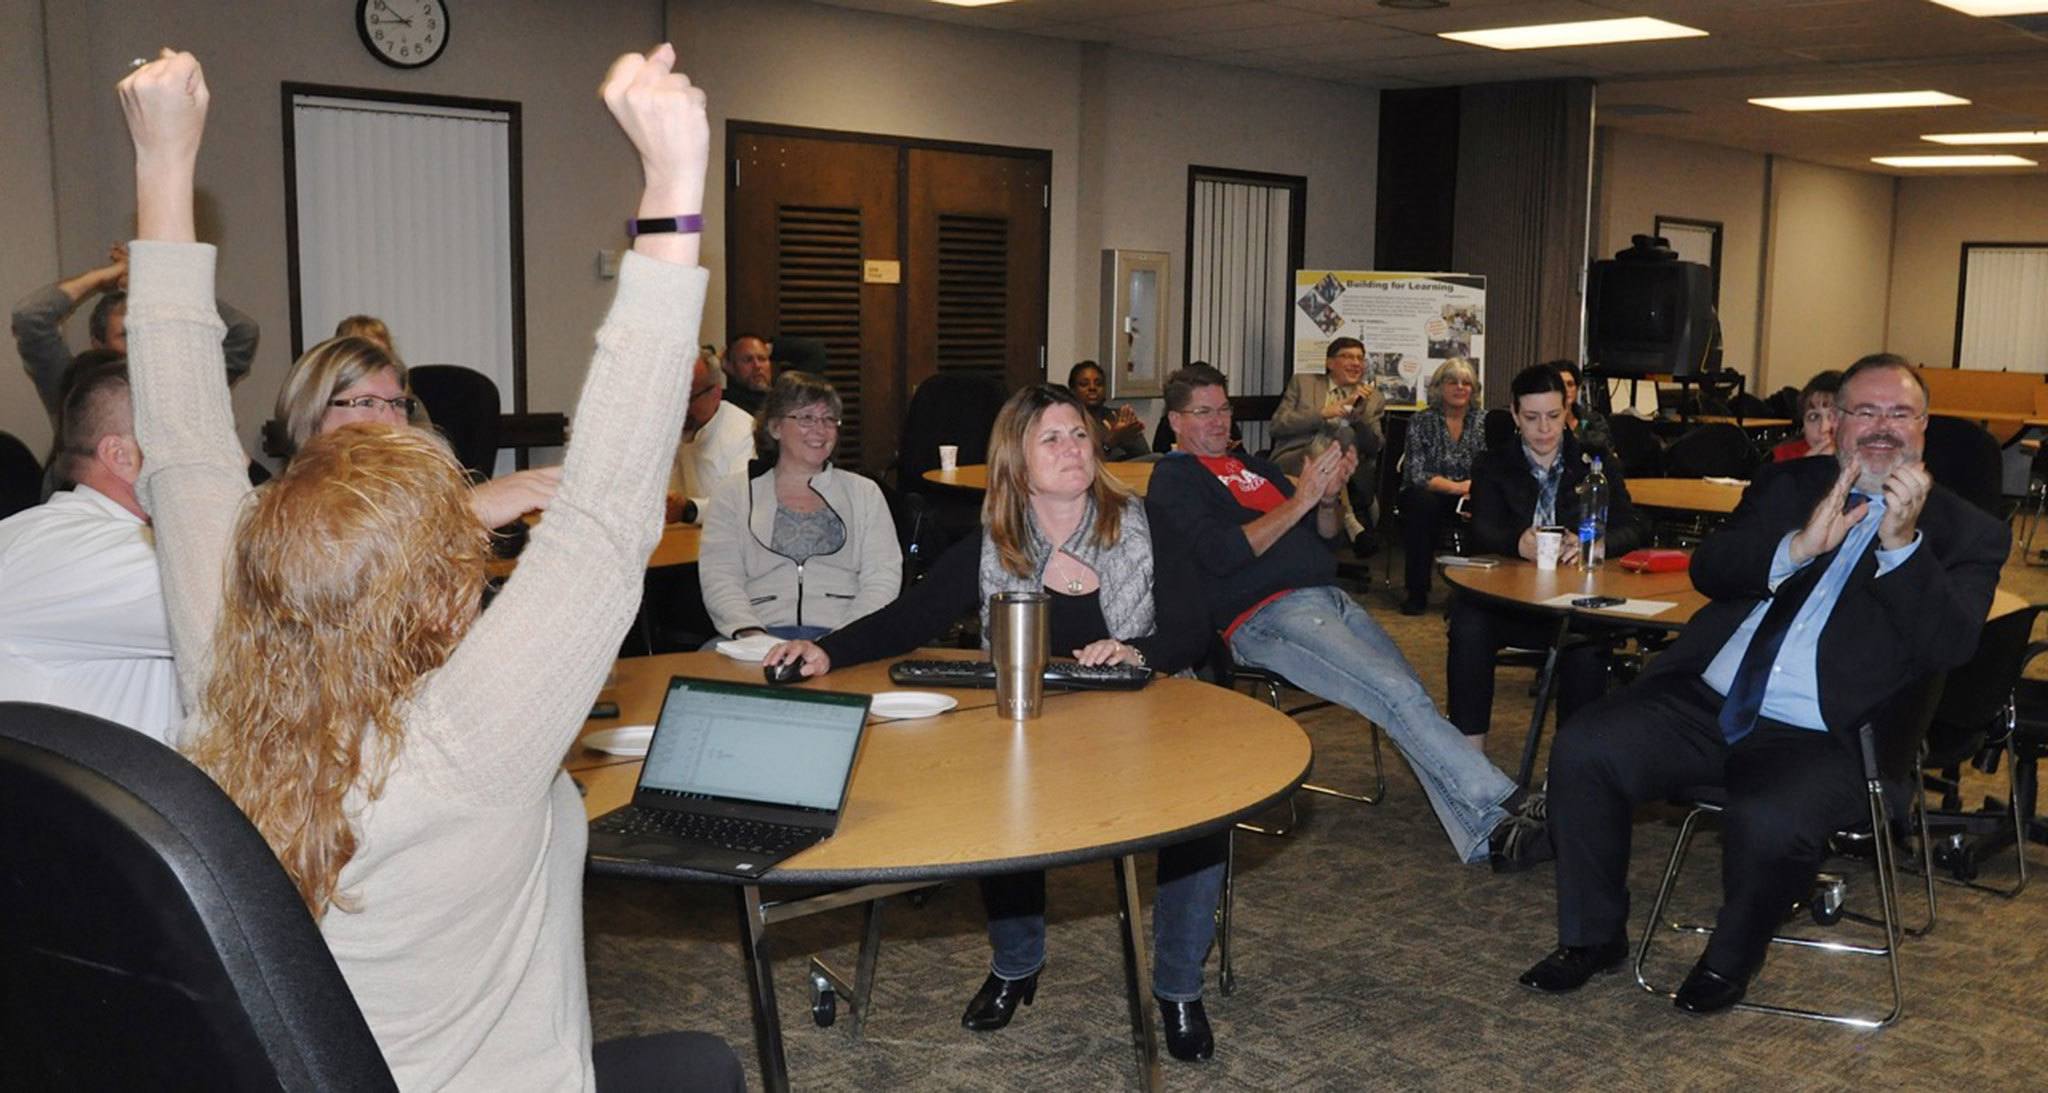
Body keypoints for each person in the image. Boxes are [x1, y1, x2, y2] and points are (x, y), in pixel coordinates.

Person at [120, 45, 742, 1089]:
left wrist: (163, 160)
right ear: (446, 591)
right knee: (704, 1067)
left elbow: (180, 444)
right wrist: (675, 187)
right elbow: (606, 513)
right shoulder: (465, 744)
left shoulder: (226, 660)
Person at [1517, 355, 2007, 1014]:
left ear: (1923, 427)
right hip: (1709, 698)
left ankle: (1730, 959)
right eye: (1866, 411)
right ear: (1836, 424)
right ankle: (1593, 936)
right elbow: (1713, 567)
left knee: (1770, 818)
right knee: (1585, 747)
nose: (1882, 427)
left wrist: (1901, 547)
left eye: (1900, 413)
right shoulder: (1787, 485)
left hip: (1827, 732)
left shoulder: (1965, 532)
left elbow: (1950, 644)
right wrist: (1797, 548)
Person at [763, 383, 1224, 1061]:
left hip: (1145, 719)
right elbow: (911, 617)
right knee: (999, 793)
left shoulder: (1146, 524)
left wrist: (1139, 649)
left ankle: (1180, 987)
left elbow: (1194, 627)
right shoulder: (994, 543)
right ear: (1017, 459)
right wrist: (826, 649)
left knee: (1200, 815)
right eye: (1053, 438)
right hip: (1033, 728)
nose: (1074, 448)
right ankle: (1017, 962)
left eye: (1079, 434)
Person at [1144, 363, 1547, 872]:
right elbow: (1222, 555)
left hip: (1327, 599)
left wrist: (1328, 498)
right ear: (1176, 421)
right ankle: (1507, 800)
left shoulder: (1257, 469)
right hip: (1265, 616)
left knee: (1407, 697)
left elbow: (1327, 536)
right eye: (1204, 413)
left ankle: (1488, 836)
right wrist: (1302, 499)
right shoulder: (1174, 477)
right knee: (1397, 696)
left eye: (1224, 409)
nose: (1219, 422)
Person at [1448, 365, 1645, 749]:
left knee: (1587, 642)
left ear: (1566, 409)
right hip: (1509, 601)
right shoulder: (1491, 463)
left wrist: (1597, 545)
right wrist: (1515, 542)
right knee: (1468, 622)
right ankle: (1468, 756)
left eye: (1554, 417)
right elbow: (1481, 530)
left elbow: (1636, 526)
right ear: (1515, 414)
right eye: (1532, 418)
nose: (1544, 429)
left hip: (1573, 599)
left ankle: (1569, 762)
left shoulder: (1594, 459)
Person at [0, 359, 179, 740]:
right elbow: (243, 601)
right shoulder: (72, 551)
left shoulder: (43, 534)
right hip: (75, 798)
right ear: (121, 456)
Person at [269, 333, 562, 529]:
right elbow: (354, 568)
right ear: (312, 414)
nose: (390, 423)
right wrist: (464, 513)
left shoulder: (412, 498)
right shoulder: (284, 519)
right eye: (366, 402)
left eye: (397, 403)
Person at [699, 370, 900, 639]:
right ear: (775, 427)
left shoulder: (864, 493)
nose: (820, 429)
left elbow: (882, 578)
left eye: (829, 419)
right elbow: (720, 578)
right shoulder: (732, 494)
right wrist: (751, 635)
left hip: (843, 636)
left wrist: (843, 642)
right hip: (758, 636)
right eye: (806, 418)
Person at [12, 241, 258, 420]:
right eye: (127, 335)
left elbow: (242, 332)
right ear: (98, 344)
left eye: (148, 332)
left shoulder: (184, 386)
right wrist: (98, 278)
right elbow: (30, 317)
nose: (143, 343)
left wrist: (155, 284)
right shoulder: (76, 389)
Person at [1270, 337, 1387, 555]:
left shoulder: (1372, 398)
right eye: (1348, 356)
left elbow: (1375, 446)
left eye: (1360, 358)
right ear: (1330, 363)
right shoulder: (1303, 383)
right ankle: (1350, 519)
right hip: (1295, 458)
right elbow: (1277, 426)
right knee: (1320, 451)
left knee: (1342, 435)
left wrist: (1358, 419)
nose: (1356, 363)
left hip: (1348, 469)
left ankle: (1346, 517)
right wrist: (1323, 413)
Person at [1398, 357, 1485, 615]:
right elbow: (1416, 474)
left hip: (1472, 493)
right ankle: (1417, 591)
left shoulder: (1484, 421)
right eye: (1452, 382)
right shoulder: (1421, 421)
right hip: (1430, 493)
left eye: (1466, 383)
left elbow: (1493, 469)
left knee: (1491, 507)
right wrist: (1459, 488)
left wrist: (1475, 490)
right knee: (1421, 505)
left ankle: (1473, 593)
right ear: (1438, 387)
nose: (1460, 387)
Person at [668, 352, 753, 524]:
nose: (678, 411)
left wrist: (689, 510)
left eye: (687, 400)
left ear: (715, 392)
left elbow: (741, 506)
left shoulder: (742, 431)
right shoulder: (676, 426)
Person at [1067, 359, 1149, 461]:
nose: (1092, 388)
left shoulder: (1116, 416)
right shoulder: (1068, 423)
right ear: (1072, 390)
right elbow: (1083, 462)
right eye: (1084, 384)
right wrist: (1110, 442)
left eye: (1099, 384)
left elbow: (1145, 457)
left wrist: (1130, 437)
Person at [1772, 370, 1842, 462]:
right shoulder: (1785, 461)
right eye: (1814, 417)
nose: (1824, 428)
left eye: (1835, 415)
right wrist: (1805, 470)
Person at [1548, 359, 1611, 460]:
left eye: (1570, 384)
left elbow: (1605, 447)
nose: (1566, 389)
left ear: (1577, 389)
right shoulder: (1541, 420)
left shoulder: (1590, 420)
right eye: (1560, 384)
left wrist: (1576, 436)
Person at [721, 332, 774, 414]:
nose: (757, 365)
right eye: (748, 360)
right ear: (729, 366)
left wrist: (773, 346)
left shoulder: (781, 399)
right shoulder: (723, 405)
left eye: (762, 359)